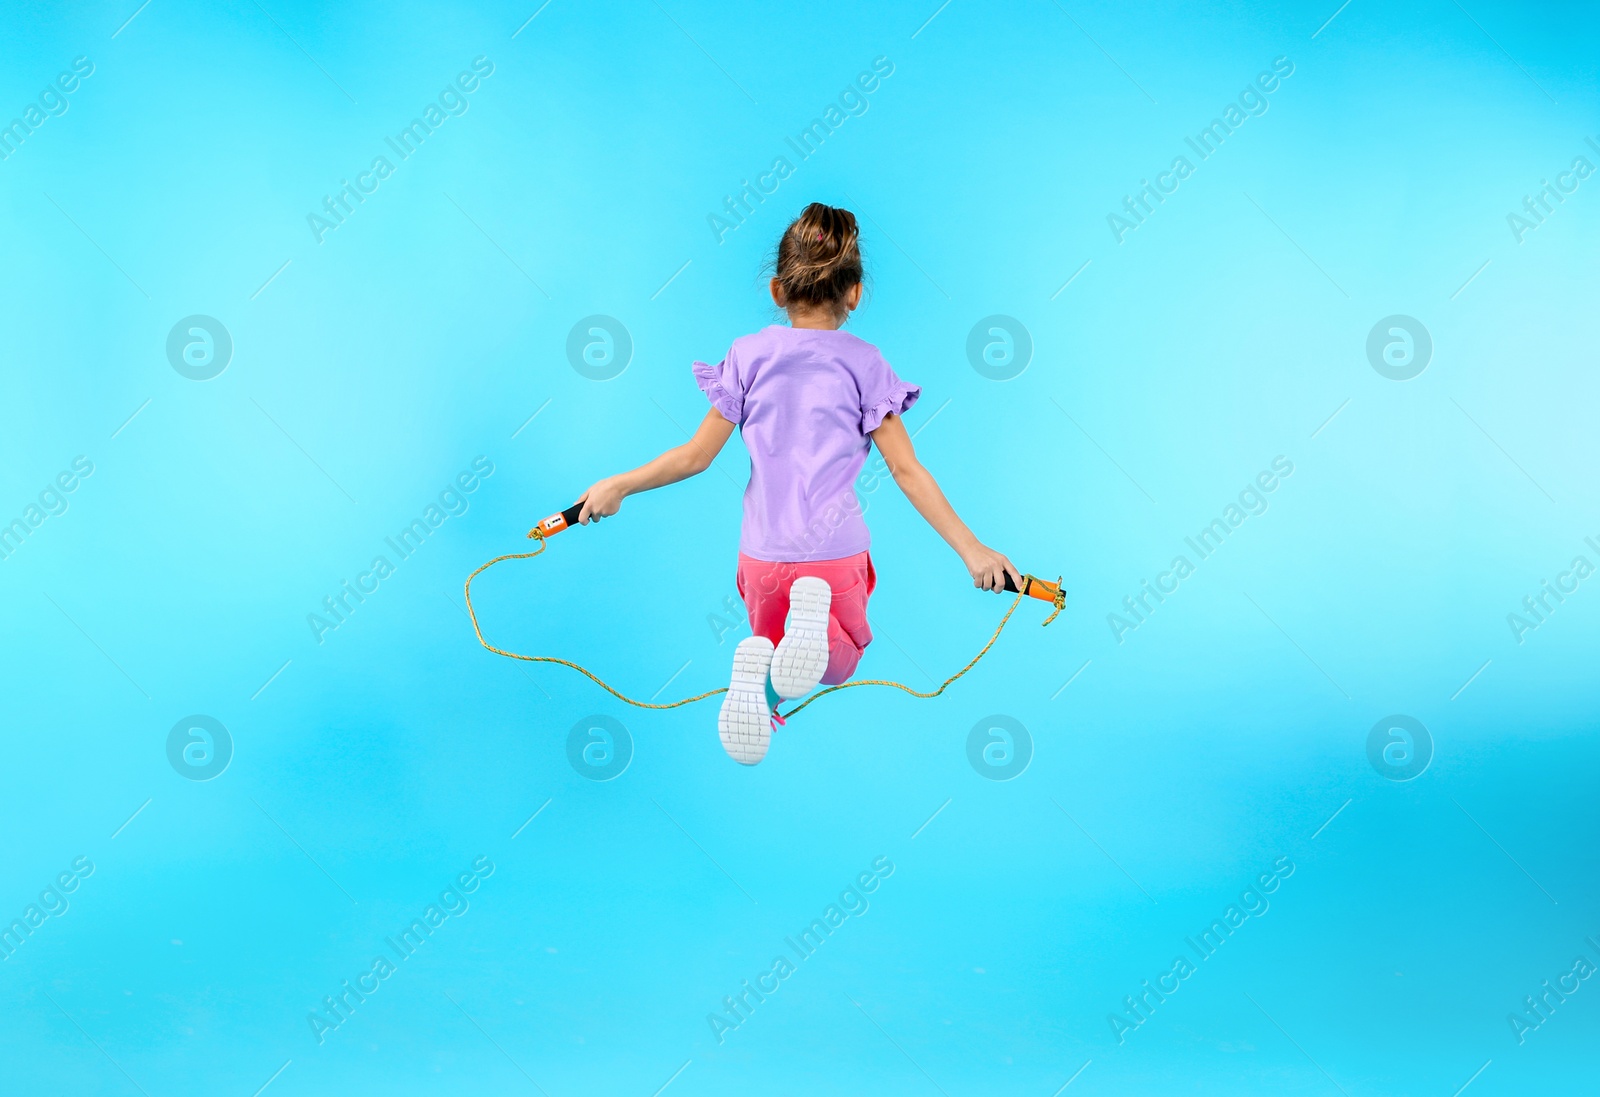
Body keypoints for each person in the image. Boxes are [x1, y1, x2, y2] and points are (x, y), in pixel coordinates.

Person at [575, 202, 1019, 765]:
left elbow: (694, 457)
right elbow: (908, 471)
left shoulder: (749, 356)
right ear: (855, 292)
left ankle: (759, 692)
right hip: (834, 556)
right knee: (840, 661)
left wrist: (618, 484)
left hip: (764, 559)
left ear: (777, 290)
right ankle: (795, 655)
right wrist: (972, 549)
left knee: (774, 651)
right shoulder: (864, 363)